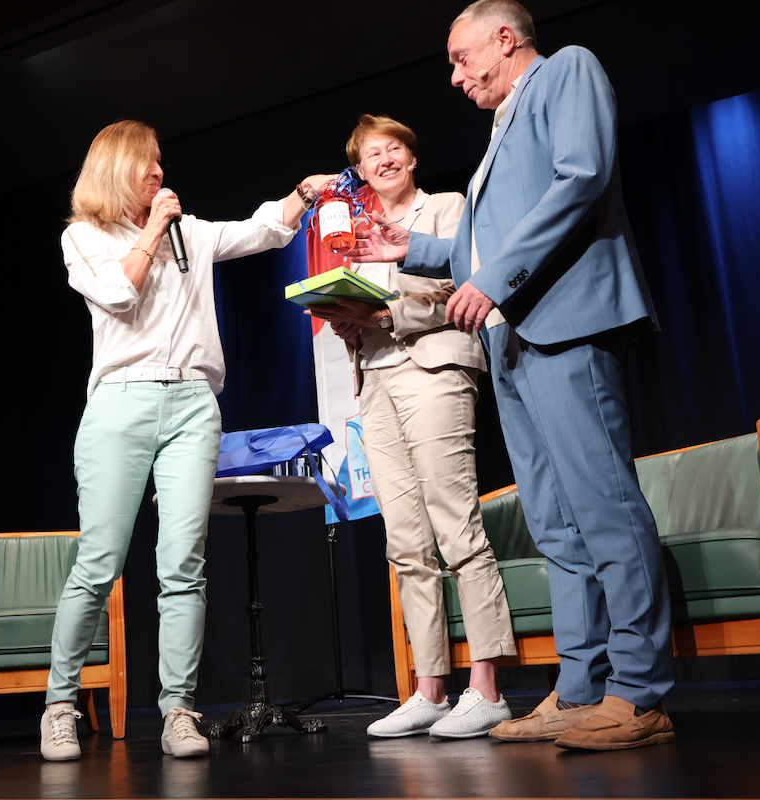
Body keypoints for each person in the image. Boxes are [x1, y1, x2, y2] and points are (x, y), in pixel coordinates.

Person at [350, 0, 676, 751]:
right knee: (555, 524)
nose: (455, 76)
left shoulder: (567, 71)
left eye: (461, 58)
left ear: (505, 38)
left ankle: (640, 692)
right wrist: (406, 247)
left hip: (566, 323)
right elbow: (479, 241)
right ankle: (581, 687)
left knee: (603, 505)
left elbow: (581, 178)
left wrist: (494, 278)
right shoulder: (499, 129)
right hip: (512, 342)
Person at [40, 119, 333, 761]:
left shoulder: (190, 232)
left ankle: (179, 709)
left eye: (161, 162)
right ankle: (59, 706)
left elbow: (260, 229)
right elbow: (118, 293)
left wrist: (302, 196)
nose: (159, 172)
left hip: (194, 403)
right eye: (148, 162)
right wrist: (152, 231)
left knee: (183, 564)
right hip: (120, 402)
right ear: (118, 167)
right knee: (100, 560)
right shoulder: (83, 236)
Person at [307, 114, 516, 739]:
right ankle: (429, 689)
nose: (385, 160)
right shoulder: (355, 228)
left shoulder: (446, 208)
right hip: (375, 377)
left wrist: (384, 313)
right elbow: (368, 310)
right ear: (360, 171)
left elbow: (464, 284)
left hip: (434, 367)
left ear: (413, 156)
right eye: (371, 155)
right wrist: (348, 319)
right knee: (403, 540)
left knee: (455, 521)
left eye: (394, 148)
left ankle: (487, 689)